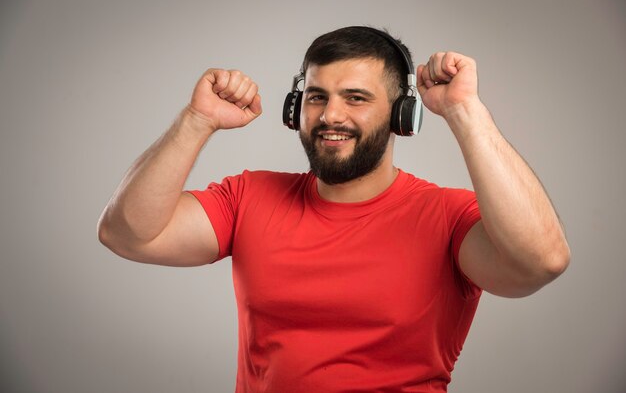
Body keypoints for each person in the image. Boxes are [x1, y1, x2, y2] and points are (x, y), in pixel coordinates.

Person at [97, 26, 570, 392]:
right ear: (293, 110)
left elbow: (540, 261)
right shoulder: (249, 197)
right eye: (317, 97)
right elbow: (128, 234)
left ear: (402, 114)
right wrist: (196, 120)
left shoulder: (447, 216)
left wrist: (465, 111)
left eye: (357, 98)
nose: (330, 116)